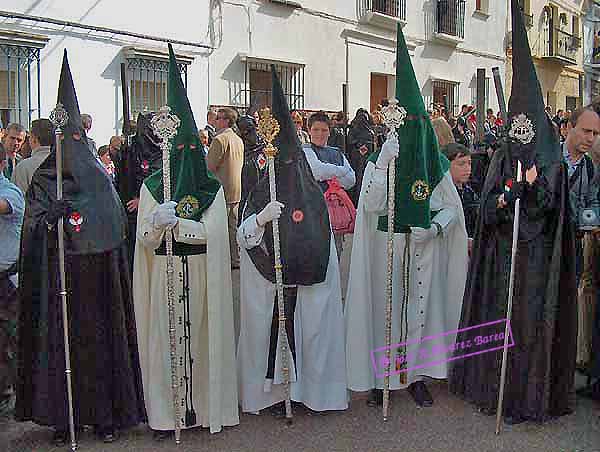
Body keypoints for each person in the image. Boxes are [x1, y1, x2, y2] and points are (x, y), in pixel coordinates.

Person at [449, 2, 577, 425]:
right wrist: (506, 199)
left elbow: (551, 213)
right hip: (501, 262)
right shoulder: (503, 156)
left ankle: (527, 398)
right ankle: (492, 390)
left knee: (527, 334)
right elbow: (486, 212)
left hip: (536, 267)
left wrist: (533, 188)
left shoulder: (553, 161)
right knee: (497, 328)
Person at [15, 51, 146, 446]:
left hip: (95, 284)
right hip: (57, 281)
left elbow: (114, 224)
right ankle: (62, 418)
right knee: (58, 350)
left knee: (98, 348)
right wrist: (47, 218)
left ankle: (104, 416)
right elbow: (31, 226)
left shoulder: (99, 178)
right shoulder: (44, 178)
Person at [345, 26, 468, 409]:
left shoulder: (435, 165)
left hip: (422, 247)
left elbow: (451, 209)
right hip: (387, 246)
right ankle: (385, 377)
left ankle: (415, 376)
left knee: (419, 312)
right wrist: (381, 165)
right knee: (387, 311)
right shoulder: (381, 159)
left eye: (419, 124)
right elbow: (370, 207)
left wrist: (433, 228)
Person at [133, 45, 238, 438]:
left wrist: (182, 226)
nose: (185, 155)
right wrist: (159, 224)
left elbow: (215, 234)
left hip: (199, 272)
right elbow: (144, 239)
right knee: (167, 340)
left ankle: (203, 408)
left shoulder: (208, 188)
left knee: (200, 342)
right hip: (165, 272)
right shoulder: (151, 187)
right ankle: (167, 414)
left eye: (190, 147)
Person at [237, 67, 347, 416]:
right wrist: (260, 218)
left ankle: (309, 393)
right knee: (273, 333)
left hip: (309, 283)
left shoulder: (311, 193)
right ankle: (274, 395)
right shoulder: (260, 188)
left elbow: (324, 240)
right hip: (271, 282)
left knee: (310, 334)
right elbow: (244, 236)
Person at [303, 110, 355, 260]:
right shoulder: (305, 150)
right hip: (313, 211)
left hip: (336, 213)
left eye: (324, 130)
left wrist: (329, 174)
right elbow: (317, 171)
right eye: (316, 129)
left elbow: (351, 180)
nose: (320, 133)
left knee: (336, 254)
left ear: (329, 132)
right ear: (309, 130)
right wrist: (341, 171)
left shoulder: (337, 152)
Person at [0, 143, 24, 417]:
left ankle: (23, 398)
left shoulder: (11, 192)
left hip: (9, 282)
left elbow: (3, 206)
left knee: (15, 341)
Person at [206, 107, 244, 269]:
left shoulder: (219, 140)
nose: (216, 121)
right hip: (235, 190)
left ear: (226, 120)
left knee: (220, 229)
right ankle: (235, 259)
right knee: (232, 228)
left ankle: (224, 260)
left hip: (221, 190)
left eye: (219, 118)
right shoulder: (237, 139)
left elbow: (209, 166)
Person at [441, 143, 479, 252]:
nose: (467, 168)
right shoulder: (442, 195)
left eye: (469, 163)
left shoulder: (469, 193)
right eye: (461, 164)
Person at [12, 119, 54, 194]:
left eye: (29, 137)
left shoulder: (23, 167)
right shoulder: (65, 164)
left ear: (34, 139)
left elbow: (18, 200)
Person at [347, 108, 376, 205]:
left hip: (365, 159)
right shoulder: (354, 129)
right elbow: (350, 143)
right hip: (357, 159)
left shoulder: (370, 130)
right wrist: (360, 145)